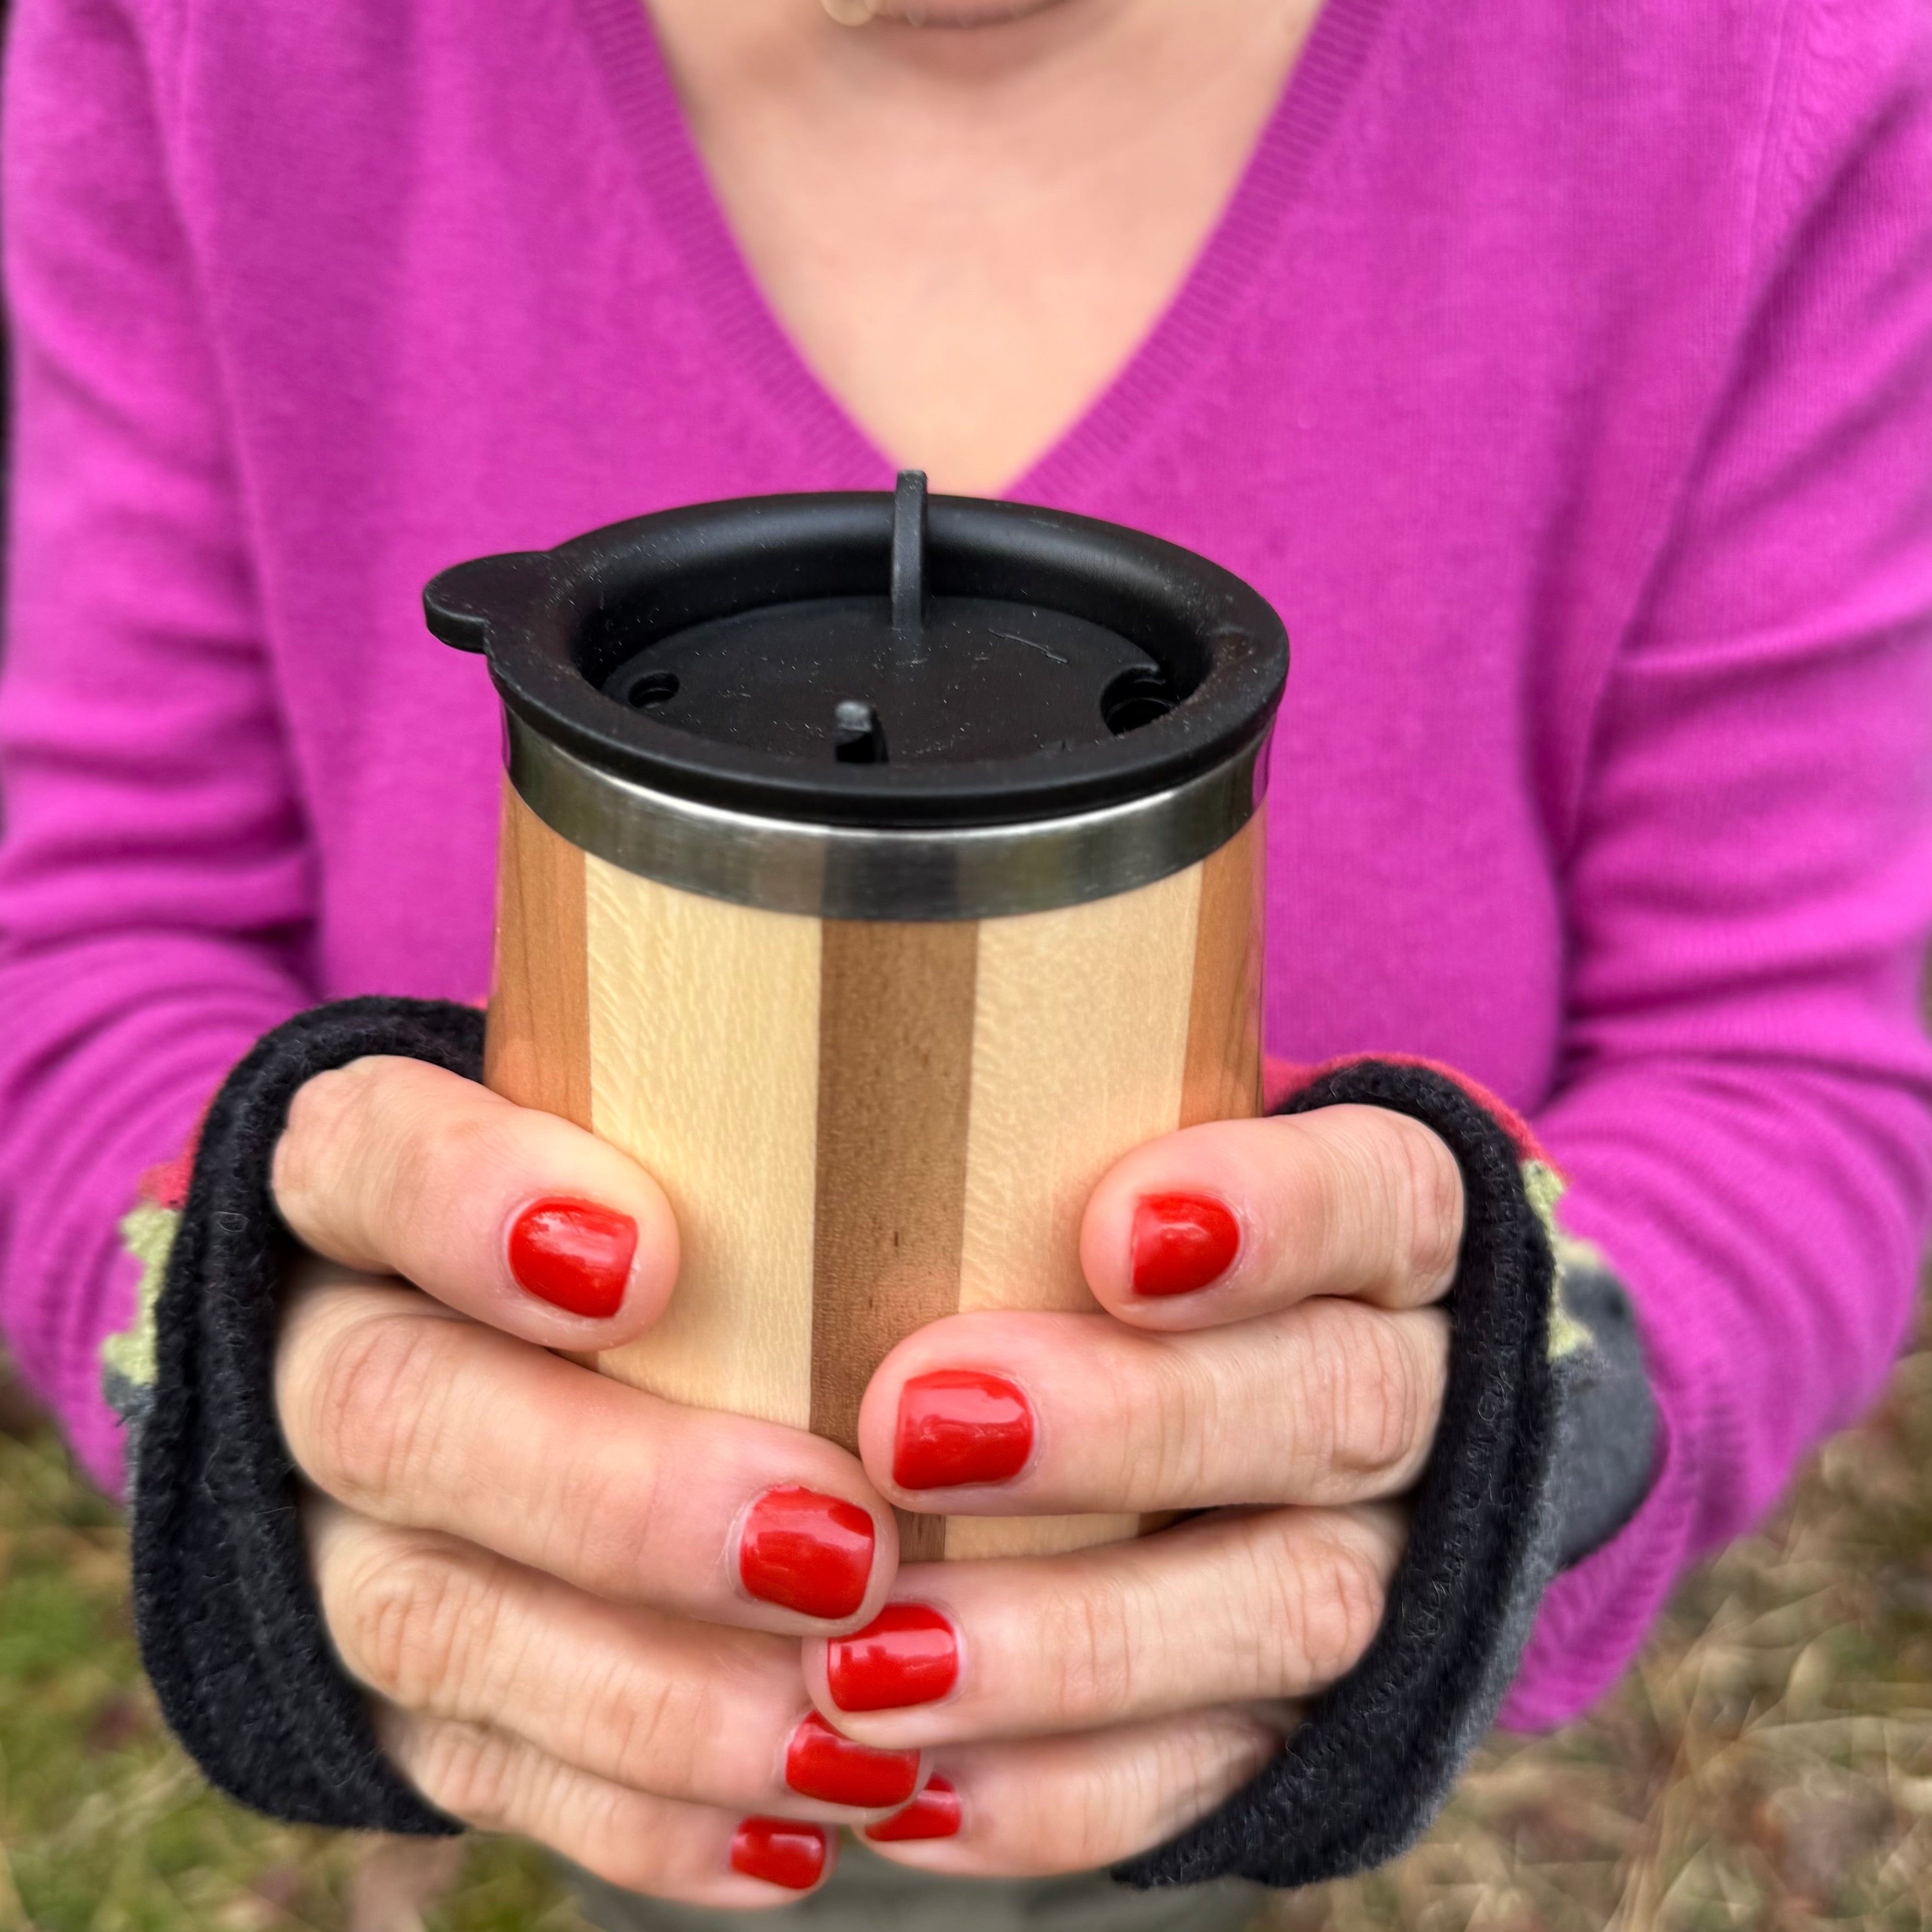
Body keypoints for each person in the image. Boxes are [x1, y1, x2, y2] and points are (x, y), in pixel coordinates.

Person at [1, 0, 1929, 1926]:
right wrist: (258, 1377)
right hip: (618, 1750)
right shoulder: (206, 48)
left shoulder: (1767, 79)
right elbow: (92, 934)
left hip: (1224, 1763)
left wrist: (1494, 1436)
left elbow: (1781, 1071)